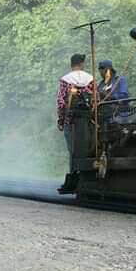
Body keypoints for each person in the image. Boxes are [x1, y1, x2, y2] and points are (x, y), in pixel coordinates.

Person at [56, 54, 95, 192]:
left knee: (73, 151)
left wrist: (61, 121)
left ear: (71, 64)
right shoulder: (90, 79)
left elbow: (61, 102)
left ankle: (74, 178)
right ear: (82, 63)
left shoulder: (65, 80)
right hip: (88, 121)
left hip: (70, 121)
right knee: (88, 149)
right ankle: (86, 177)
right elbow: (95, 100)